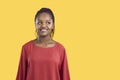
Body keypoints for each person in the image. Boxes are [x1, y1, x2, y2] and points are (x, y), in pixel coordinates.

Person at [16, 7, 70, 80]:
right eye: (40, 22)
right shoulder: (26, 48)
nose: (43, 25)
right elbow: (20, 76)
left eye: (48, 22)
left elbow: (65, 77)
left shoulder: (61, 49)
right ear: (35, 24)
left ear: (53, 25)